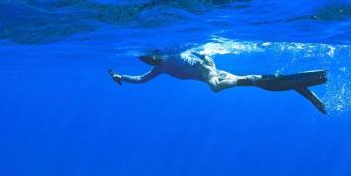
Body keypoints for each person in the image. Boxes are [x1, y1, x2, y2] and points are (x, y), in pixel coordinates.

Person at [109, 49, 328, 114]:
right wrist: (122, 78)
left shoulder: (174, 53)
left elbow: (203, 52)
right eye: (146, 59)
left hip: (211, 73)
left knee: (215, 88)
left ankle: (251, 79)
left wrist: (208, 59)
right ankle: (308, 94)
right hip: (214, 73)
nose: (149, 60)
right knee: (265, 84)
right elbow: (141, 79)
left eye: (149, 56)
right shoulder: (160, 67)